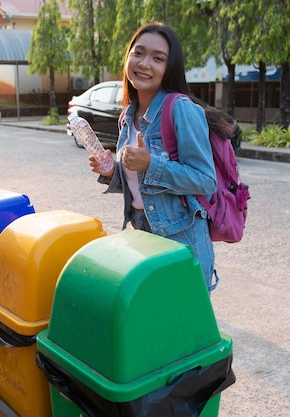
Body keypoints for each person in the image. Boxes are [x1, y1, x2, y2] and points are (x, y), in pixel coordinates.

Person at [89, 22, 233, 293]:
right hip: (142, 236)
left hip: (180, 241)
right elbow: (139, 184)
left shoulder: (181, 110)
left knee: (179, 328)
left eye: (158, 58)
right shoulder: (127, 117)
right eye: (139, 53)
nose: (145, 63)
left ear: (170, 68)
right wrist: (113, 171)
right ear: (128, 56)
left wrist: (151, 164)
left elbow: (205, 180)